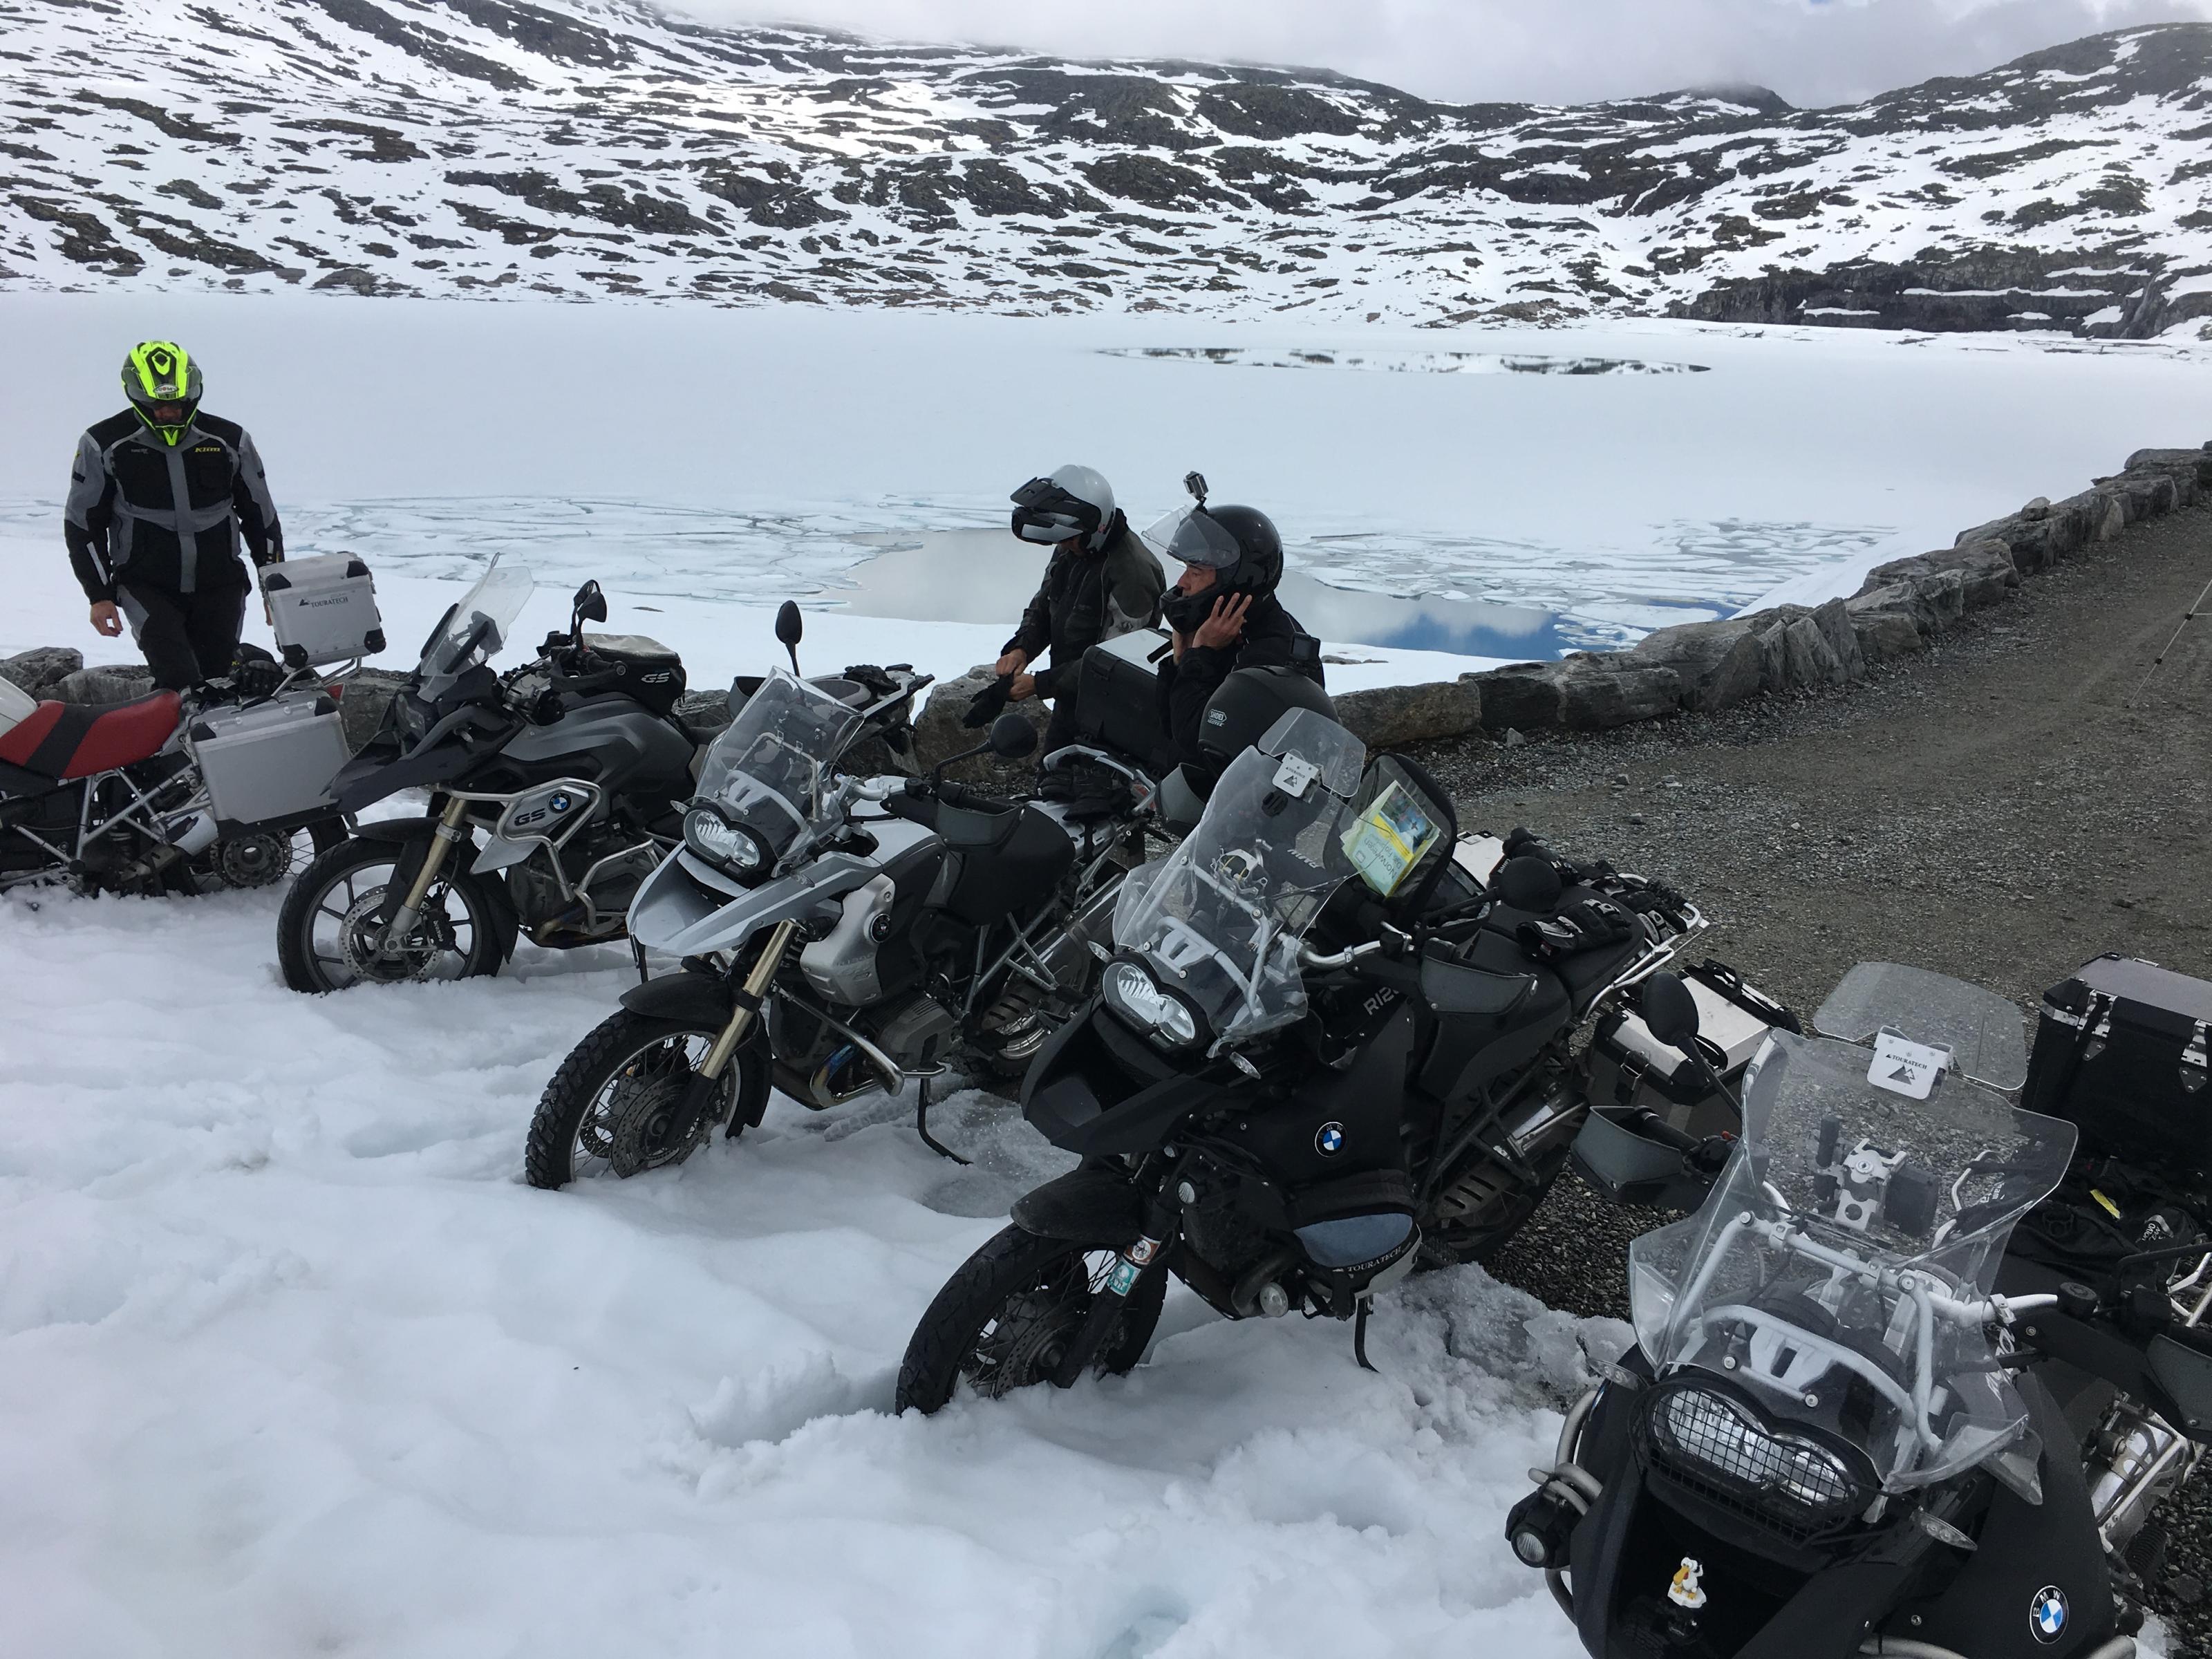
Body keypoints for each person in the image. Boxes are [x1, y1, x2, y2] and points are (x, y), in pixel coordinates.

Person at [64, 341, 285, 692]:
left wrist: (274, 586)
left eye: (177, 404)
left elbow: (261, 516)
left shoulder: (230, 440)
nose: (168, 413)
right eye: (157, 406)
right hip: (145, 584)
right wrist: (99, 595)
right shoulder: (102, 443)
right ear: (136, 398)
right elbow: (83, 524)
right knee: (177, 678)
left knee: (219, 679)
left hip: (220, 582)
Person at [1147, 494, 1325, 778]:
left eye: (1195, 572)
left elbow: (1196, 741)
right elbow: (1168, 725)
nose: (1182, 583)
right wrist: (1181, 661)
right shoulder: (1222, 631)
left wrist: (1199, 657)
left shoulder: (1271, 656)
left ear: (1235, 581)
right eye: (1186, 570)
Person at [995, 464, 1165, 753]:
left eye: (1069, 540)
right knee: (1050, 773)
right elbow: (1044, 606)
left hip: (1111, 719)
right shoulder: (1073, 546)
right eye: (1061, 540)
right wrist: (1021, 649)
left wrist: (1039, 684)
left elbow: (1116, 662)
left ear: (1096, 527)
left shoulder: (1133, 573)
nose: (1064, 546)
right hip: (1070, 700)